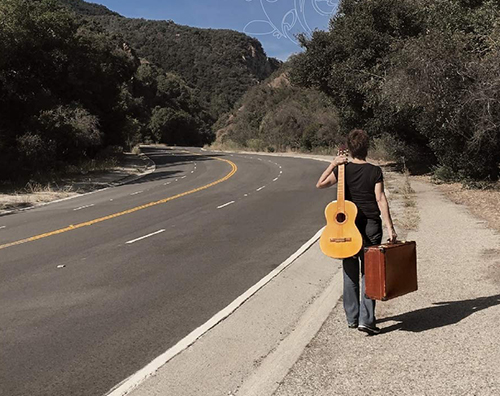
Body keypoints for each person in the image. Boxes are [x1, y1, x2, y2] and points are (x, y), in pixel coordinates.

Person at [316, 129, 397, 335]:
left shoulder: (343, 170)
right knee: (369, 273)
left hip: (347, 228)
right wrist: (390, 228)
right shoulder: (375, 171)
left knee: (349, 272)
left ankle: (352, 318)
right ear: (367, 148)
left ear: (349, 150)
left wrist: (334, 163)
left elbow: (320, 184)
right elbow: (381, 200)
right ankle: (366, 320)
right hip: (371, 225)